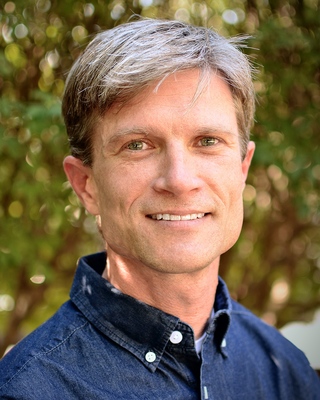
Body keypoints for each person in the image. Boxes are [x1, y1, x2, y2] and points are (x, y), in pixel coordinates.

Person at [0, 18, 319, 400]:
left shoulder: (286, 371)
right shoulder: (27, 390)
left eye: (207, 141)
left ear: (242, 168)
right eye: (138, 145)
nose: (180, 180)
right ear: (87, 186)